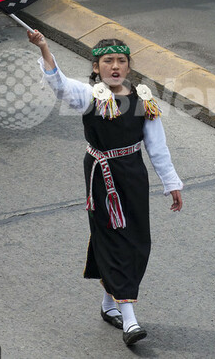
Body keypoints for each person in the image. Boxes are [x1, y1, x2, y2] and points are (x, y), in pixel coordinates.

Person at [28, 30, 183, 346]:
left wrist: (171, 183)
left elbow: (157, 145)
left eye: (121, 61)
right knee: (114, 238)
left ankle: (109, 304)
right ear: (96, 67)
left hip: (133, 174)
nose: (115, 66)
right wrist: (44, 48)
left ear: (128, 66)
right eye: (107, 61)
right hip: (102, 176)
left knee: (138, 240)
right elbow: (60, 86)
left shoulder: (142, 98)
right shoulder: (91, 95)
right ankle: (130, 321)